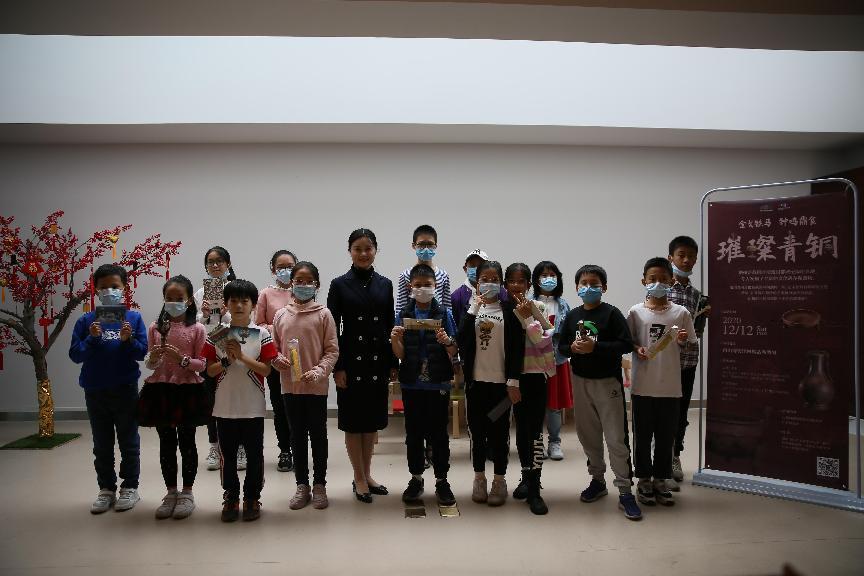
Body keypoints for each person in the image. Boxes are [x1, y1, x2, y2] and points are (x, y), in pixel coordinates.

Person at [558, 264, 641, 521]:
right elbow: (562, 346)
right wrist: (572, 348)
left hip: (607, 383)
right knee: (588, 435)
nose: (588, 287)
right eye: (583, 283)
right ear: (576, 287)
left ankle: (625, 490)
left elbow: (626, 344)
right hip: (580, 382)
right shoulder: (572, 315)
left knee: (615, 437)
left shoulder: (611, 314)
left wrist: (596, 348)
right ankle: (597, 480)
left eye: (594, 284)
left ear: (603, 287)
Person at [327, 228, 398, 503]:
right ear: (350, 252)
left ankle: (367, 475)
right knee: (353, 423)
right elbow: (332, 329)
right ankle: (358, 477)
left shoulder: (385, 284)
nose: (363, 253)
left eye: (368, 248)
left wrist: (392, 362)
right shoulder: (339, 284)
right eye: (357, 249)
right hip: (351, 360)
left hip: (377, 359)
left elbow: (390, 324)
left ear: (376, 250)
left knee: (371, 423)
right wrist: (338, 366)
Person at [69, 263, 147, 514]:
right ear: (96, 290)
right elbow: (75, 355)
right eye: (104, 287)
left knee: (129, 441)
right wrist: (92, 338)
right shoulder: (86, 321)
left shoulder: (133, 318)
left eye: (115, 286)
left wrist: (128, 340)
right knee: (102, 444)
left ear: (124, 288)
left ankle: (130, 487)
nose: (110, 291)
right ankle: (106, 489)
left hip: (125, 388)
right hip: (95, 390)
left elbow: (141, 353)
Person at [202, 279, 278, 522]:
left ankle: (252, 496)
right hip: (225, 407)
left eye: (244, 301)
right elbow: (209, 371)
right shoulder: (217, 334)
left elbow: (266, 370)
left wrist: (242, 357)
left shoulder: (262, 334)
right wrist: (227, 360)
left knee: (255, 455)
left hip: (253, 407)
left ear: (253, 305)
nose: (238, 305)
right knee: (228, 456)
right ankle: (231, 496)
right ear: (225, 304)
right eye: (233, 301)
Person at [626, 258, 697, 508]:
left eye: (663, 279)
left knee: (666, 437)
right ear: (643, 281)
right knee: (642, 437)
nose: (658, 283)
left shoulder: (681, 313)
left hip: (670, 387)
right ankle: (644, 480)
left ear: (671, 281)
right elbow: (628, 341)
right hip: (643, 387)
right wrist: (637, 348)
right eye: (652, 279)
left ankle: (661, 480)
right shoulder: (635, 312)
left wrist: (683, 340)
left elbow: (689, 343)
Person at [138, 275, 209, 520]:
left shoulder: (197, 328)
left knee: (187, 442)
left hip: (187, 390)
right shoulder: (155, 327)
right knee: (166, 443)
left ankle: (187, 493)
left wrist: (182, 360)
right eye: (169, 298)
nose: (174, 302)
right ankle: (170, 492)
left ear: (189, 301)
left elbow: (202, 364)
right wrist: (153, 358)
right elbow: (150, 363)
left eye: (179, 298)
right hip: (161, 389)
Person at [456, 260, 524, 507]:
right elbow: (461, 338)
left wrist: (513, 381)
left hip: (501, 386)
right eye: (484, 279)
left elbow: (516, 349)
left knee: (499, 434)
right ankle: (479, 479)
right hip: (476, 384)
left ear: (501, 283)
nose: (489, 283)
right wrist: (474, 307)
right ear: (477, 282)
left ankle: (499, 480)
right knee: (477, 433)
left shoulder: (510, 310)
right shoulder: (472, 308)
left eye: (494, 279)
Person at [272, 261, 339, 510]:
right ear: (291, 283)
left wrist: (320, 371)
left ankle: (320, 484)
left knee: (318, 435)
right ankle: (302, 484)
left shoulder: (324, 314)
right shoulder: (281, 315)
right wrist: (277, 359)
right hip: (290, 388)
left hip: (316, 388)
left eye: (308, 281)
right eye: (298, 281)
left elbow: (332, 350)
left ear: (316, 285)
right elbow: (273, 348)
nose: (303, 285)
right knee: (297, 436)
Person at [392, 264, 458, 506]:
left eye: (427, 285)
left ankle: (442, 480)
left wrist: (447, 341)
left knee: (439, 433)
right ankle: (416, 479)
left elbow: (454, 349)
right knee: (413, 434)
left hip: (438, 382)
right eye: (417, 285)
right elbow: (400, 353)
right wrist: (395, 339)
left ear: (435, 286)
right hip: (412, 384)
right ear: (410, 287)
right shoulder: (403, 314)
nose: (422, 289)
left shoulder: (444, 313)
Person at [506, 263, 555, 515]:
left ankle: (535, 487)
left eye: (521, 281)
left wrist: (528, 317)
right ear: (506, 284)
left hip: (536, 377)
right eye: (512, 281)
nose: (516, 285)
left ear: (528, 284)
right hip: (514, 380)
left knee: (535, 432)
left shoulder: (538, 307)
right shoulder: (504, 310)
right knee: (521, 429)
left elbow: (544, 340)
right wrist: (511, 381)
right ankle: (525, 476)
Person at [192, 246, 244, 472]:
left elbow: (245, 318)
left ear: (228, 264)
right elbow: (194, 325)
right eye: (210, 262)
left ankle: (240, 447)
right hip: (209, 352)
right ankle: (215, 447)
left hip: (234, 349)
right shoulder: (199, 294)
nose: (215, 265)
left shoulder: (237, 289)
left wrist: (226, 313)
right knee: (211, 401)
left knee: (237, 399)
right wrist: (204, 315)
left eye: (219, 261)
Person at [666, 235, 707, 490]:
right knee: (662, 411)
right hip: (663, 363)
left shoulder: (697, 295)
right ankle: (659, 455)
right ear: (670, 257)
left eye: (691, 256)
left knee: (681, 412)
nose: (686, 260)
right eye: (681, 255)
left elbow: (697, 332)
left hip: (688, 361)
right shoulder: (661, 289)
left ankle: (675, 455)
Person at [256, 249, 297, 473]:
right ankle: (285, 450)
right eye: (281, 267)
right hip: (274, 356)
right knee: (280, 405)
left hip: (299, 357)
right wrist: (281, 328)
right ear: (273, 270)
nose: (286, 271)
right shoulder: (265, 294)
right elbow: (259, 325)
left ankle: (299, 448)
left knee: (298, 405)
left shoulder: (302, 291)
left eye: (290, 266)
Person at [531, 260, 573, 461]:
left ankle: (555, 442)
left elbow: (569, 333)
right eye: (544, 275)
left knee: (554, 405)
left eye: (552, 275)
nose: (549, 279)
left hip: (557, 360)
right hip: (533, 361)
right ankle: (537, 442)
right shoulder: (529, 303)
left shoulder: (563, 305)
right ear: (536, 279)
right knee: (535, 404)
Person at [395, 224, 451, 316]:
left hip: (438, 323)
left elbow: (447, 307)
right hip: (412, 323)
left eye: (430, 244)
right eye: (421, 244)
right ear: (414, 246)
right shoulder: (405, 275)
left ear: (435, 246)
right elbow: (400, 308)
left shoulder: (443, 275)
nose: (426, 249)